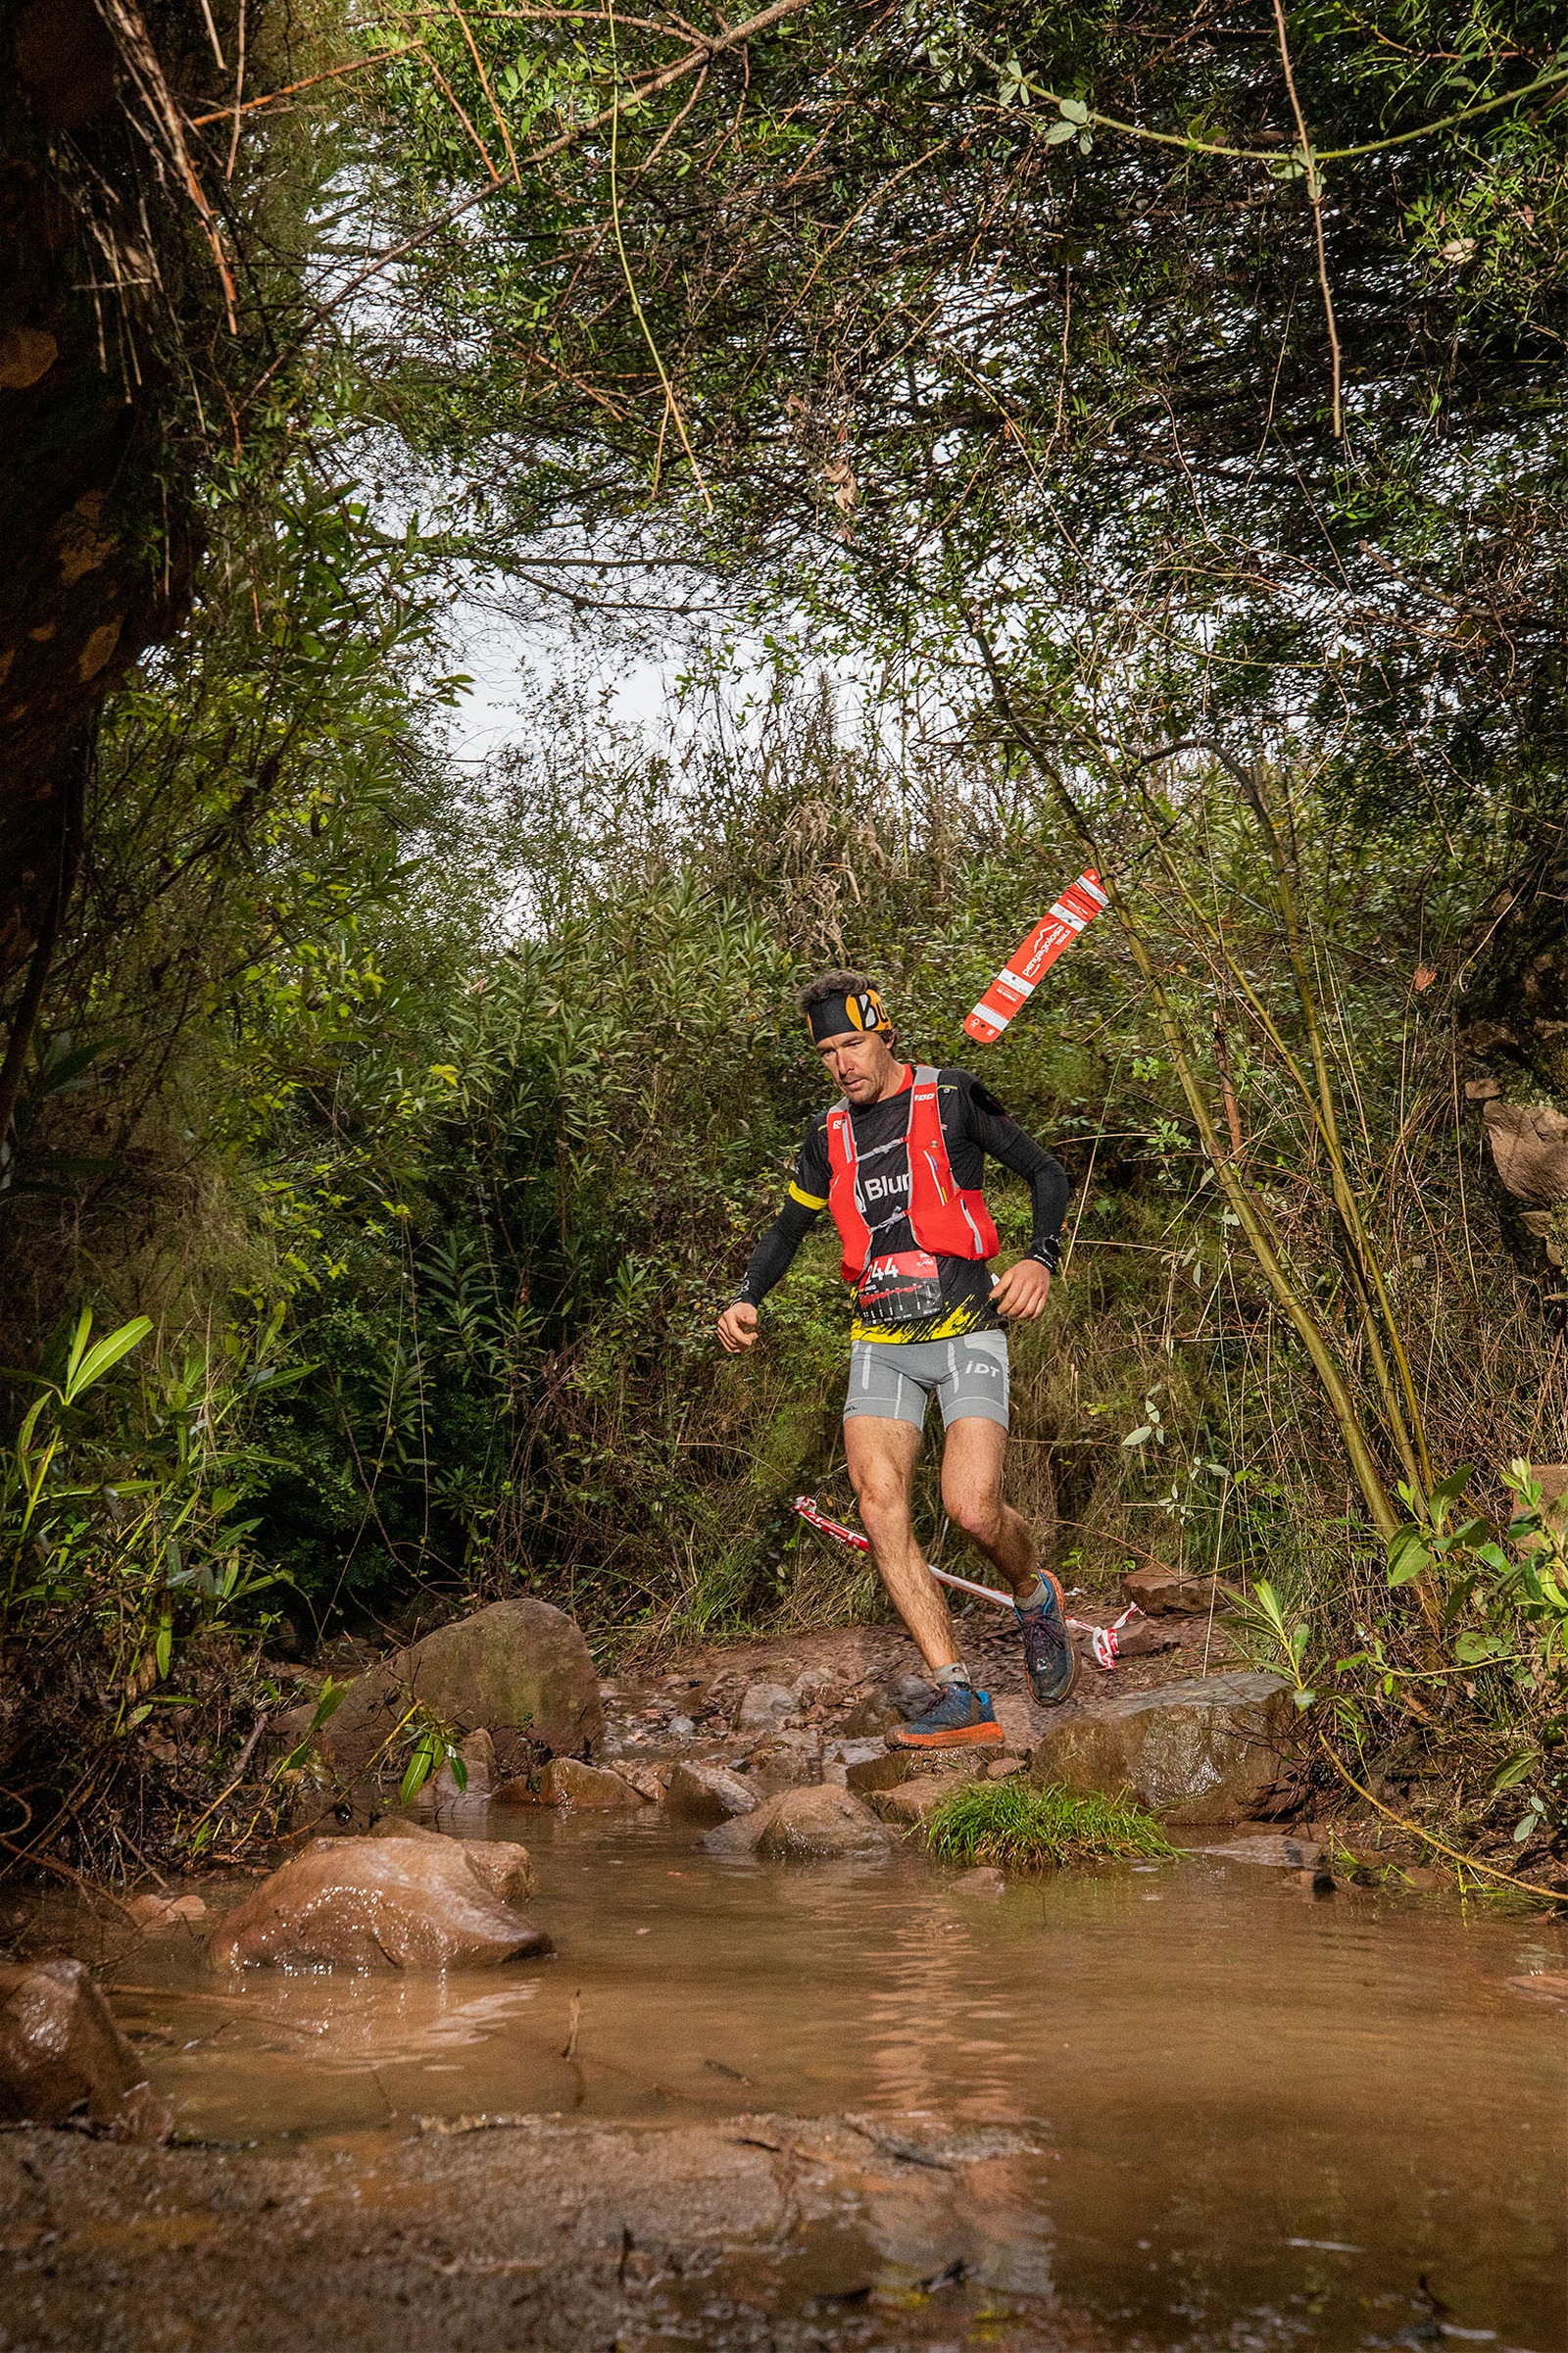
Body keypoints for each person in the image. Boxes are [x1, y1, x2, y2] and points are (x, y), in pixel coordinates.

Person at [716, 970, 1078, 1745]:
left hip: (966, 1325)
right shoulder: (827, 1136)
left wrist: (1040, 1257)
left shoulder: (952, 1096)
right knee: (879, 1506)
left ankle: (1032, 1592)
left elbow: (1046, 1171)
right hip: (880, 1342)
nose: (842, 1063)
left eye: (853, 1043)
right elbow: (786, 1230)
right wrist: (748, 1295)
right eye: (827, 1052)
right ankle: (959, 1694)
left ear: (885, 1034)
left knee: (972, 1507)